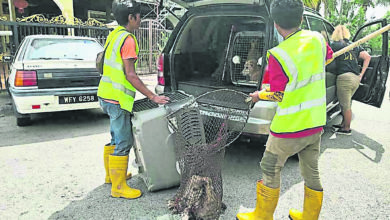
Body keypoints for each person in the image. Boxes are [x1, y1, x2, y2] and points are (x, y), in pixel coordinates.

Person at [236, 0, 334, 219]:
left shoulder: (279, 55)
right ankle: (309, 216)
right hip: (316, 123)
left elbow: (277, 94)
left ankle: (262, 215)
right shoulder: (317, 39)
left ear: (275, 24)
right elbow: (328, 57)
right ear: (301, 19)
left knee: (269, 166)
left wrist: (258, 95)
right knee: (311, 170)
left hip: (289, 127)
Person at [97, 0, 169, 200]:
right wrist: (153, 96)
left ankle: (112, 176)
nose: (141, 19)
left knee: (114, 136)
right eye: (139, 16)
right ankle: (118, 187)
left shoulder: (115, 34)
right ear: (131, 18)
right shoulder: (128, 40)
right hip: (117, 99)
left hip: (106, 94)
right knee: (123, 141)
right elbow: (131, 75)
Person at [329, 25, 371, 135]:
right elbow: (367, 57)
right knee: (346, 102)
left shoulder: (334, 45)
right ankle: (343, 124)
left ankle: (346, 128)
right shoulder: (354, 45)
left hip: (344, 78)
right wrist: (361, 74)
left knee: (345, 105)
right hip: (355, 78)